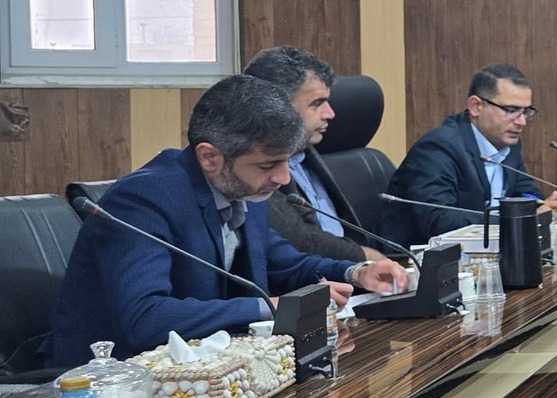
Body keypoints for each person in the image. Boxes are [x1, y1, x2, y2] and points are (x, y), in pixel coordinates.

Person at [47, 76, 405, 366]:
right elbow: (145, 317)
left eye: (287, 162)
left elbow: (284, 264)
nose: (283, 178)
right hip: (108, 384)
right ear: (209, 157)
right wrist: (268, 306)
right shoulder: (143, 200)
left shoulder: (243, 187)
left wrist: (355, 273)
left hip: (211, 371)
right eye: (268, 165)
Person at [242, 45, 387, 263]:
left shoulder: (306, 152)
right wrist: (369, 259)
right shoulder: (253, 166)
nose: (331, 113)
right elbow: (301, 241)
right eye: (317, 104)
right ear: (278, 108)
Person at [383, 63, 546, 245]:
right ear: (476, 107)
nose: (522, 122)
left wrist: (539, 206)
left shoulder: (508, 144)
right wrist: (511, 221)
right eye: (511, 110)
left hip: (482, 253)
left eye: (525, 112)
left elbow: (524, 192)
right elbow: (438, 219)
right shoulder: (438, 147)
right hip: (410, 257)